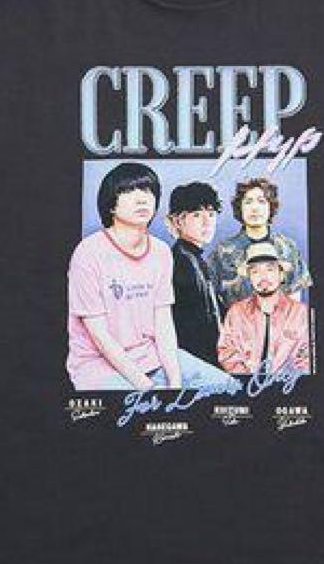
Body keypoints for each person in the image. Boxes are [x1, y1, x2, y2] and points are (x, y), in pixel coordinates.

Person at [66, 162, 236, 392]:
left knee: (229, 387)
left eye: (147, 191)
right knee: (144, 406)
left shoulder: (160, 252)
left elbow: (163, 325)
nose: (142, 199)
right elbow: (100, 336)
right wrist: (147, 387)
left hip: (150, 357)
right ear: (111, 205)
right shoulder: (89, 253)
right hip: (99, 366)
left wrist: (174, 382)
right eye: (129, 191)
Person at [209, 176, 311, 304]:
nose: (255, 208)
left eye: (261, 201)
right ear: (240, 208)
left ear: (270, 207)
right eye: (248, 202)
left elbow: (295, 300)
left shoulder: (287, 248)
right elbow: (211, 297)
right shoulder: (222, 252)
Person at [217, 242, 311, 375]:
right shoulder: (236, 313)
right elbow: (227, 352)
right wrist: (247, 378)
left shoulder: (301, 313)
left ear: (281, 275)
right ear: (249, 278)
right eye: (255, 271)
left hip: (288, 384)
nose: (263, 277)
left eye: (270, 269)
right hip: (244, 384)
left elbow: (307, 358)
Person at [165, 181, 225, 364]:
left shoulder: (193, 258)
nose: (207, 222)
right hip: (197, 362)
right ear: (178, 221)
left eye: (211, 214)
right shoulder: (182, 262)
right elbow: (195, 327)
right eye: (197, 215)